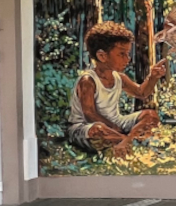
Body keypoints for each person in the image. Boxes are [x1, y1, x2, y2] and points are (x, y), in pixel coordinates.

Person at [66, 22, 167, 157]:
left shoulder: (119, 78)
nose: (128, 59)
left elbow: (141, 93)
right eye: (122, 54)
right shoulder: (88, 80)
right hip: (86, 127)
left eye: (127, 53)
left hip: (116, 123)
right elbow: (90, 114)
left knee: (150, 116)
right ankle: (127, 142)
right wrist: (116, 130)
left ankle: (125, 143)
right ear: (102, 56)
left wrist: (153, 77)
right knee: (99, 130)